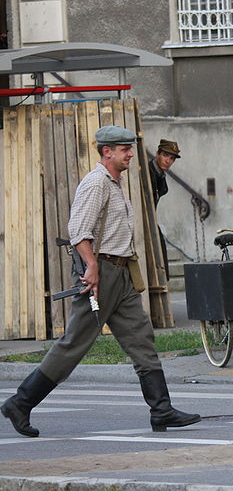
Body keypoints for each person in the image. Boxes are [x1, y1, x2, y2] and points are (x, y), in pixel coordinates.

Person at [1, 126, 200, 438]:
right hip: (101, 273)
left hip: (120, 274)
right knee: (73, 345)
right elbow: (78, 229)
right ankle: (20, 402)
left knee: (141, 339)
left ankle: (161, 410)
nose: (131, 154)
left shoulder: (114, 183)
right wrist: (92, 266)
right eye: (125, 149)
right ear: (107, 151)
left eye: (130, 149)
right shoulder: (96, 183)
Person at [148, 139, 180, 279]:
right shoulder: (150, 171)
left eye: (172, 158)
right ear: (157, 154)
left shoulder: (160, 174)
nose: (168, 161)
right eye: (165, 156)